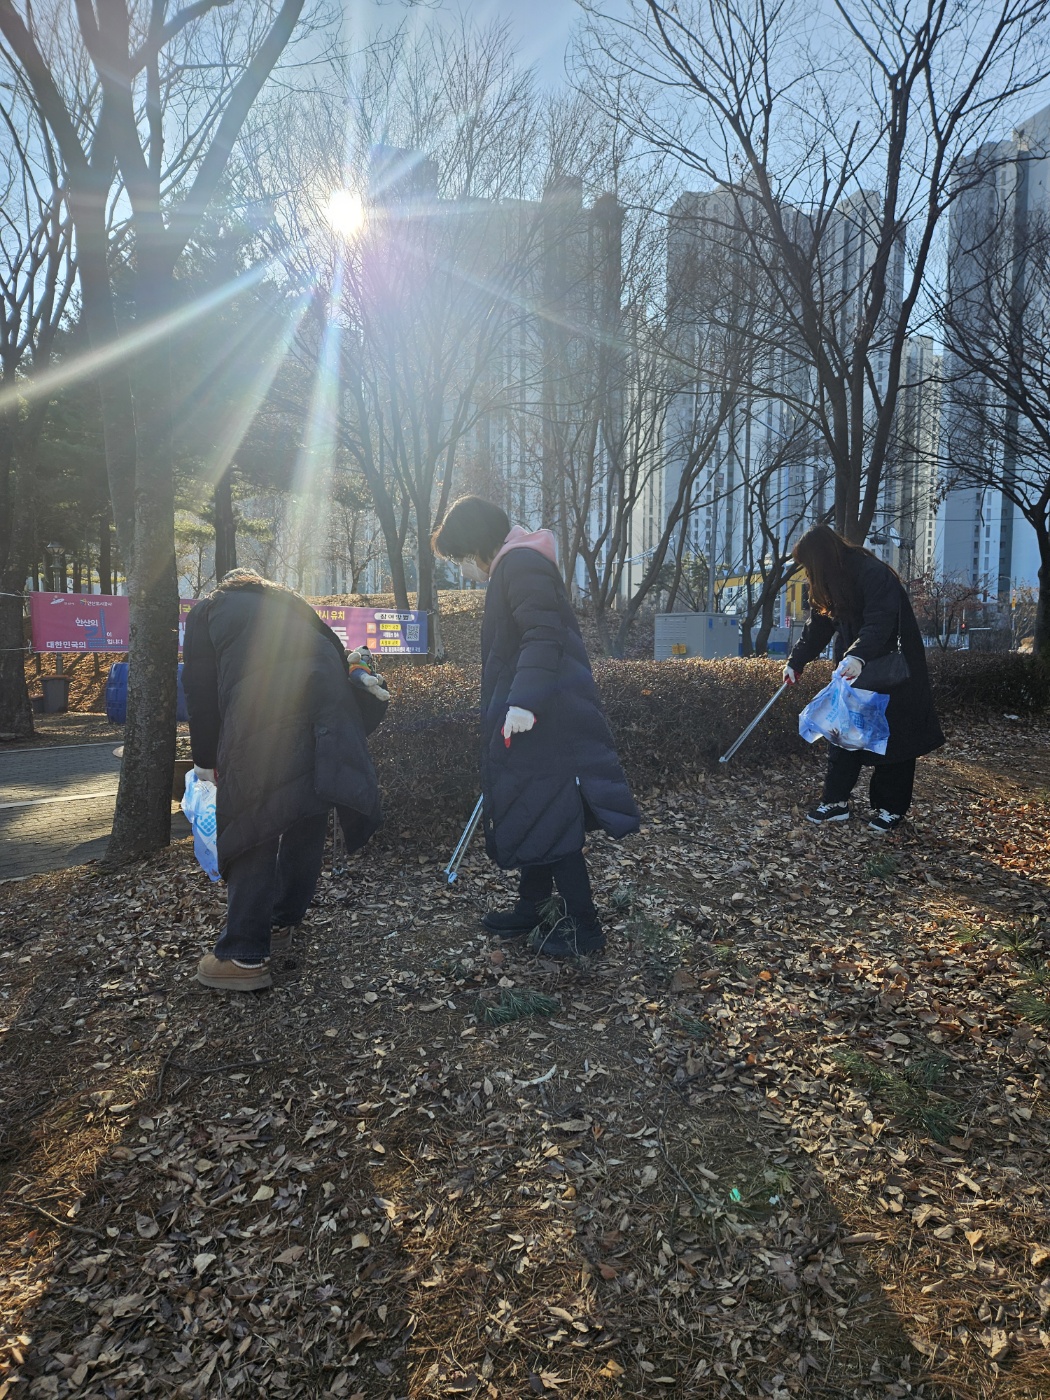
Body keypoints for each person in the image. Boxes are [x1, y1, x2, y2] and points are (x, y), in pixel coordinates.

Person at [432, 496, 640, 957]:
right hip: (537, 714)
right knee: (538, 810)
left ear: (479, 544)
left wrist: (524, 702)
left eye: (462, 556)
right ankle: (532, 905)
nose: (463, 567)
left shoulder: (519, 564)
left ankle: (586, 931)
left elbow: (541, 634)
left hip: (543, 718)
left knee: (552, 818)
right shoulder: (518, 562)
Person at [182, 568, 389, 990]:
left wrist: (204, 760)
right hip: (324, 726)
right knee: (303, 816)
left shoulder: (207, 612)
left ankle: (243, 957)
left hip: (262, 728)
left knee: (253, 828)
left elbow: (199, 691)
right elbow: (336, 655)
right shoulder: (294, 605)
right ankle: (282, 920)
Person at [784, 524, 944, 832]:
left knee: (892, 741)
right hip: (853, 671)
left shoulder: (871, 572)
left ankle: (890, 808)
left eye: (808, 565)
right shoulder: (827, 581)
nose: (807, 573)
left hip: (893, 671)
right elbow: (817, 626)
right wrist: (796, 661)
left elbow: (881, 620)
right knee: (841, 734)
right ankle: (835, 802)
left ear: (821, 558)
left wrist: (858, 655)